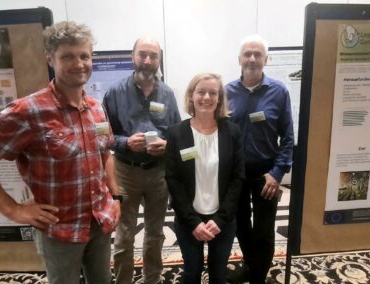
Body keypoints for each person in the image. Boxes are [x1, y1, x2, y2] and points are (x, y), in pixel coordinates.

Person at [0, 21, 120, 284]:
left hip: (99, 222)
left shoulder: (96, 107)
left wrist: (115, 197)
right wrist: (13, 210)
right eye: (68, 56)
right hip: (60, 231)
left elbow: (105, 154)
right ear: (50, 59)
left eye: (84, 55)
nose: (79, 63)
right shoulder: (28, 111)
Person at [103, 36, 181, 284]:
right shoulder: (115, 92)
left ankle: (152, 279)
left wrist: (167, 145)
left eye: (153, 56)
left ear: (159, 60)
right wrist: (126, 142)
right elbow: (103, 137)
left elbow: (177, 133)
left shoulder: (168, 94)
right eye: (143, 55)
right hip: (125, 172)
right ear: (133, 56)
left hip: (158, 173)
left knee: (155, 234)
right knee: (124, 235)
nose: (147, 61)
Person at [226, 34, 294, 284]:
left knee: (264, 230)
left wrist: (277, 174)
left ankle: (257, 277)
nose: (252, 59)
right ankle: (251, 267)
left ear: (266, 59)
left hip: (267, 174)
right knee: (241, 226)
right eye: (247, 54)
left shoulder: (279, 91)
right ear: (239, 60)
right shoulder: (227, 92)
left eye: (257, 54)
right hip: (237, 174)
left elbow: (288, 138)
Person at [165, 73, 245, 284]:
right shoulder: (175, 133)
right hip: (189, 220)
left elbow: (238, 178)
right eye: (201, 91)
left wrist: (219, 220)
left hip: (223, 220)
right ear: (191, 95)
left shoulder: (232, 132)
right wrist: (193, 222)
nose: (207, 97)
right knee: (192, 272)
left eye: (213, 93)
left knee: (218, 275)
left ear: (219, 98)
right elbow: (173, 180)